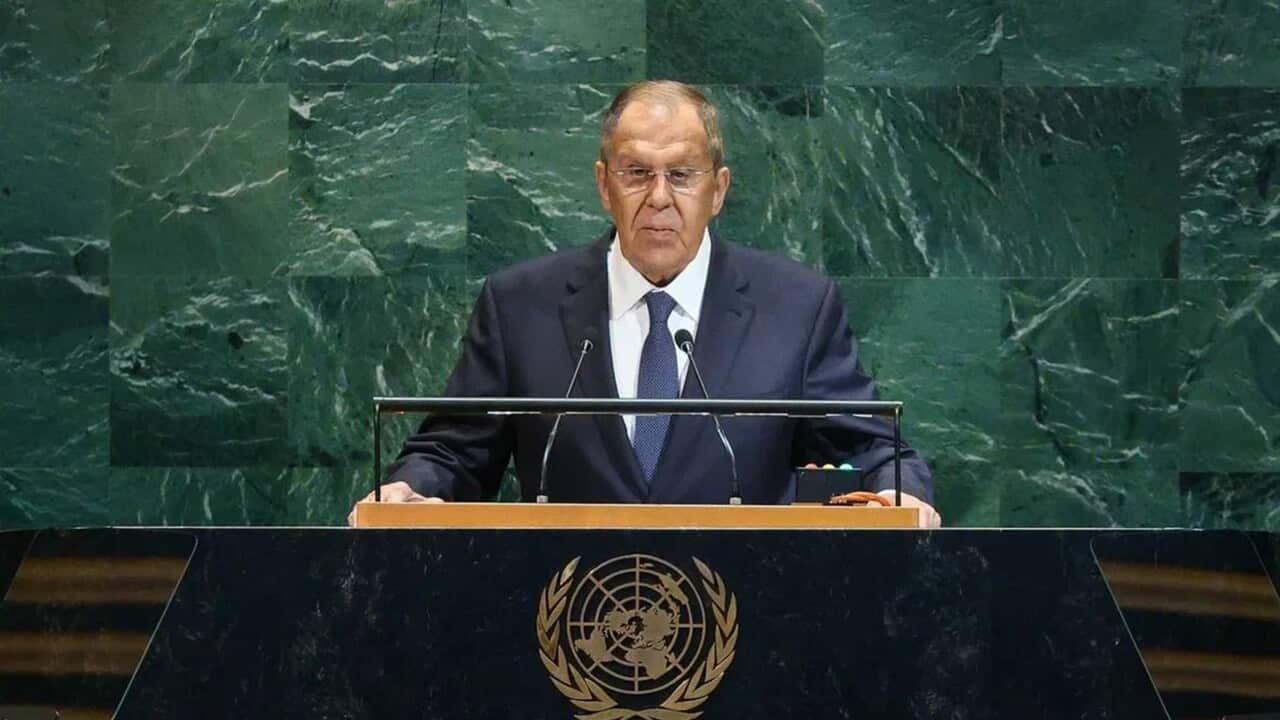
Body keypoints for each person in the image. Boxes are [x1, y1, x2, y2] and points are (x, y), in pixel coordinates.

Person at [349, 80, 940, 527]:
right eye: (637, 172)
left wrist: (899, 489)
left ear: (720, 189)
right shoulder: (520, 305)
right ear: (605, 184)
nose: (659, 197)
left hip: (754, 629)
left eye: (682, 174)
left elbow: (869, 447)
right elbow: (453, 451)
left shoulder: (798, 307)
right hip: (563, 629)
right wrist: (409, 490)